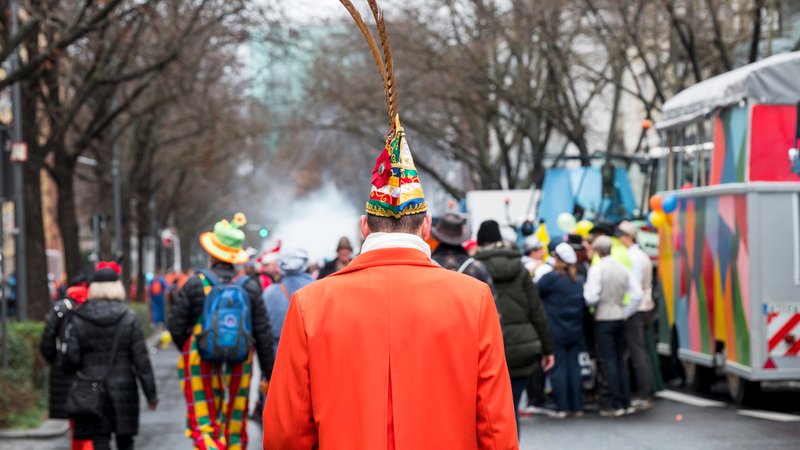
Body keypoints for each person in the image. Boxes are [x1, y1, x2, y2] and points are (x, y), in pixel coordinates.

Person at [262, 15, 516, 444]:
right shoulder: (472, 300)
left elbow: (286, 433)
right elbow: (495, 428)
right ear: (428, 227)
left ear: (364, 227)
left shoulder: (310, 305)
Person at [168, 213, 275, 449]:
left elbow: (175, 325)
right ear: (235, 257)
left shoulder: (196, 283)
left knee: (204, 423)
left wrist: (193, 348)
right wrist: (269, 371)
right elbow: (263, 333)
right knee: (235, 424)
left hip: (200, 361)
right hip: (239, 361)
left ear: (212, 253)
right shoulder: (249, 286)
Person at [62, 262, 157, 450]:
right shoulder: (128, 317)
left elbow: (70, 359)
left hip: (92, 389)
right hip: (124, 388)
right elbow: (141, 361)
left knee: (99, 440)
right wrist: (151, 395)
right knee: (125, 441)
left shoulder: (80, 317)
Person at [474, 219, 555, 434]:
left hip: (487, 347)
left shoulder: (473, 267)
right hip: (523, 345)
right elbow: (536, 309)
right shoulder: (519, 266)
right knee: (513, 408)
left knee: (487, 412)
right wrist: (547, 348)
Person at [583, 236, 642, 417]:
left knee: (608, 361)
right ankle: (625, 400)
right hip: (619, 315)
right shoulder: (622, 268)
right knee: (620, 359)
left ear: (598, 251)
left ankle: (615, 402)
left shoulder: (597, 269)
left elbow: (590, 297)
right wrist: (625, 311)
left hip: (603, 317)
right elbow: (637, 294)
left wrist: (597, 306)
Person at [40, 277, 93, 450]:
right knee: (93, 419)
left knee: (73, 418)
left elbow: (47, 341)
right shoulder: (94, 306)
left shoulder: (60, 308)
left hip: (64, 372)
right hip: (91, 371)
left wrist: (56, 361)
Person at [537, 243, 586, 418]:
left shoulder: (551, 278)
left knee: (558, 368)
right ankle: (577, 405)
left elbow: (535, 292)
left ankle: (562, 406)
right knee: (574, 368)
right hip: (575, 330)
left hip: (555, 329)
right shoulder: (578, 279)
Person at [617, 221, 655, 409]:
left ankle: (643, 392)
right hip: (643, 306)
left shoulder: (633, 258)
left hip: (636, 308)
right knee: (639, 351)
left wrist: (626, 311)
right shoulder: (641, 256)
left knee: (637, 352)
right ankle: (643, 390)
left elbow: (635, 288)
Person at [262, 247, 314, 355]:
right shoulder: (319, 289)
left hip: (279, 354)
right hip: (310, 354)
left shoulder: (269, 293)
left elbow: (264, 330)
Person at [430, 211, 495, 296]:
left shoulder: (429, 266)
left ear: (438, 237)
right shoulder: (476, 267)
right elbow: (492, 304)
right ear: (461, 236)